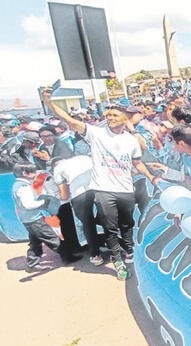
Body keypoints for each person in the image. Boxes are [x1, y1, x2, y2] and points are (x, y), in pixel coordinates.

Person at [43, 92, 160, 281]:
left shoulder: (130, 140)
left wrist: (151, 177)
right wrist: (50, 103)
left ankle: (129, 251)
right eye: (108, 115)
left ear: (124, 119)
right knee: (110, 227)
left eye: (115, 115)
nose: (110, 118)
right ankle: (117, 261)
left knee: (127, 224)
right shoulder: (96, 134)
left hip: (125, 189)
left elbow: (137, 164)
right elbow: (69, 120)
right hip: (104, 189)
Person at [11, 162, 81, 270]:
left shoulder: (17, 185)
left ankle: (32, 262)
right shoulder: (24, 188)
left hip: (27, 220)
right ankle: (67, 256)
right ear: (25, 173)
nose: (35, 173)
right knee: (52, 238)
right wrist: (44, 202)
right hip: (34, 219)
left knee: (35, 241)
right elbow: (28, 205)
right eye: (33, 171)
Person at [51, 155, 101, 265]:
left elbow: (64, 195)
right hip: (101, 188)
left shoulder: (58, 169)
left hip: (80, 193)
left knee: (88, 223)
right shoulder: (84, 158)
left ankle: (95, 255)